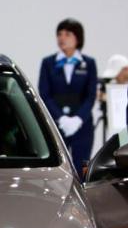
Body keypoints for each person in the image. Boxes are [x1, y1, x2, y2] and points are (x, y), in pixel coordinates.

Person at [37, 18, 98, 178]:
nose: (62, 38)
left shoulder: (89, 63)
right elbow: (45, 94)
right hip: (57, 125)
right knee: (58, 169)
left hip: (82, 126)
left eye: (67, 34)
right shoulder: (48, 63)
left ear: (78, 38)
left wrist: (78, 119)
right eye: (59, 34)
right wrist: (61, 118)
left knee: (83, 168)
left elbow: (90, 96)